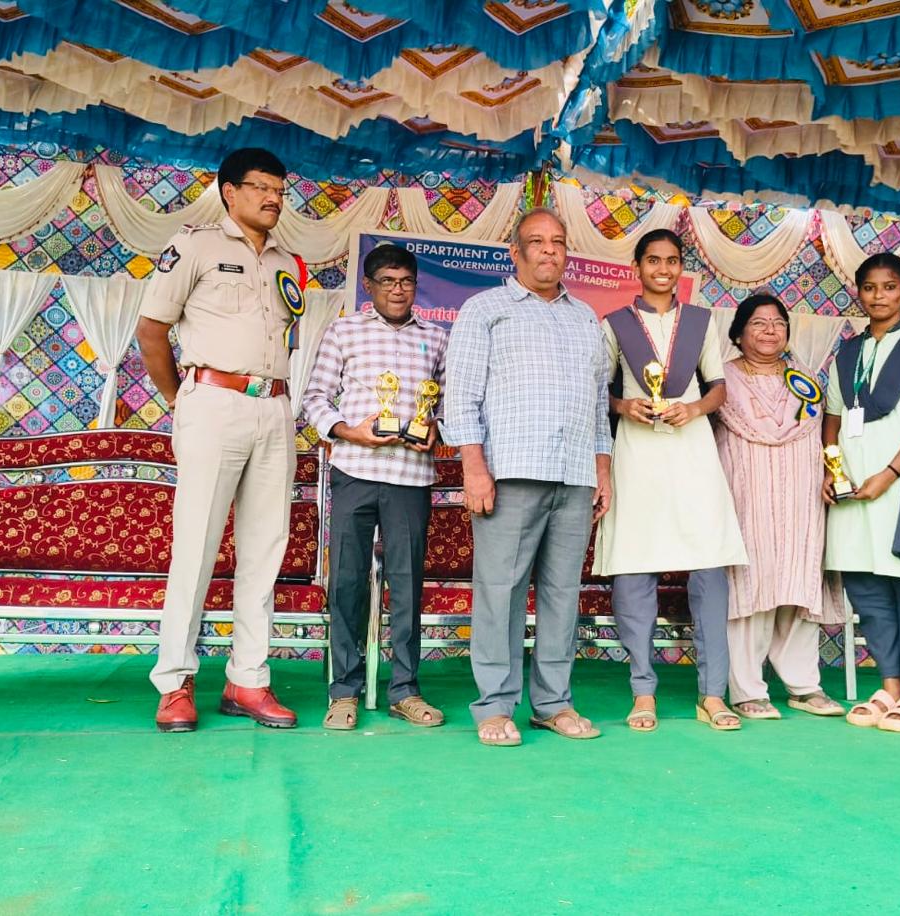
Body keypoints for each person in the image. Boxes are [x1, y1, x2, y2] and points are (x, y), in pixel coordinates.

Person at [136, 147, 304, 733]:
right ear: (229, 192)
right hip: (213, 400)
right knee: (197, 547)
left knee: (265, 549)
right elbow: (152, 330)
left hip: (274, 406)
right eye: (260, 187)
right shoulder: (196, 246)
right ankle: (175, 682)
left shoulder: (290, 261)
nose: (273, 199)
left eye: (280, 190)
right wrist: (181, 399)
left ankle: (248, 679)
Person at [443, 208, 613, 747]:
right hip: (511, 472)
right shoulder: (485, 309)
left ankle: (553, 703)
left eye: (558, 242)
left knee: (563, 592)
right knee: (501, 591)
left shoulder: (585, 317)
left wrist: (602, 468)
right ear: (514, 252)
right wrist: (474, 467)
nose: (549, 251)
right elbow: (460, 396)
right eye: (537, 242)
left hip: (575, 474)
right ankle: (495, 706)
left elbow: (598, 403)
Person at [595, 228, 747, 733]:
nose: (663, 268)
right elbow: (599, 391)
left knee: (709, 570)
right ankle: (643, 691)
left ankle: (713, 694)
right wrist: (625, 406)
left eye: (672, 260)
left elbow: (718, 387)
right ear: (637, 267)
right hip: (637, 454)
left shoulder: (702, 321)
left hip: (693, 451)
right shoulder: (615, 324)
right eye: (654, 260)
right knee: (634, 569)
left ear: (681, 267)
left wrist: (695, 408)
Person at [302, 244, 448, 730]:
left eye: (406, 281)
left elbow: (449, 402)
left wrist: (438, 428)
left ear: (416, 286)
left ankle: (405, 690)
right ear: (368, 286)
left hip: (410, 476)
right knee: (347, 580)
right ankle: (344, 691)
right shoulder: (344, 331)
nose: (398, 290)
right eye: (387, 281)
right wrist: (348, 431)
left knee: (407, 584)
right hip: (355, 471)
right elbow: (315, 397)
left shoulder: (436, 338)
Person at [822, 252, 900, 733]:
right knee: (868, 594)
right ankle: (890, 688)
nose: (879, 296)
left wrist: (891, 472)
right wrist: (831, 469)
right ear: (858, 292)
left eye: (889, 287)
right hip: (854, 491)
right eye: (870, 287)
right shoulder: (847, 354)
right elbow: (833, 418)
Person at [715, 293, 845, 720]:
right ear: (738, 333)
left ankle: (803, 685)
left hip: (800, 500)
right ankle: (747, 690)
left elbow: (821, 434)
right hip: (746, 498)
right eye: (758, 323)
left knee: (797, 585)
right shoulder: (722, 379)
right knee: (751, 588)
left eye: (778, 323)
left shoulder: (802, 378)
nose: (770, 330)